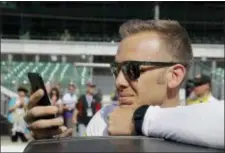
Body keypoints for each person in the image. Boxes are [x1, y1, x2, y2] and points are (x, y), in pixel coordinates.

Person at [23, 19, 224, 149]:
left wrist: (139, 119)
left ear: (175, 75)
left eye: (132, 69)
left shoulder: (207, 126)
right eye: (116, 69)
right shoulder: (105, 118)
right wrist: (51, 145)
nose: (119, 82)